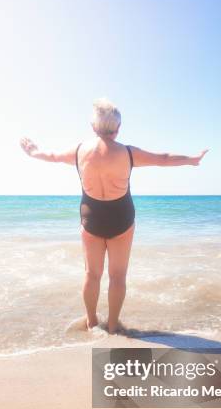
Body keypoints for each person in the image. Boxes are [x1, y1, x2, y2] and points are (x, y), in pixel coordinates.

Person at [20, 97, 209, 334]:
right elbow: (163, 159)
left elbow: (52, 156)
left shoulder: (79, 151)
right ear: (118, 129)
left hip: (91, 218)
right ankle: (111, 326)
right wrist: (191, 160)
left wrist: (34, 152)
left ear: (93, 127)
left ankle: (91, 323)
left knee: (92, 274)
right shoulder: (128, 153)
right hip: (122, 218)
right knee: (118, 277)